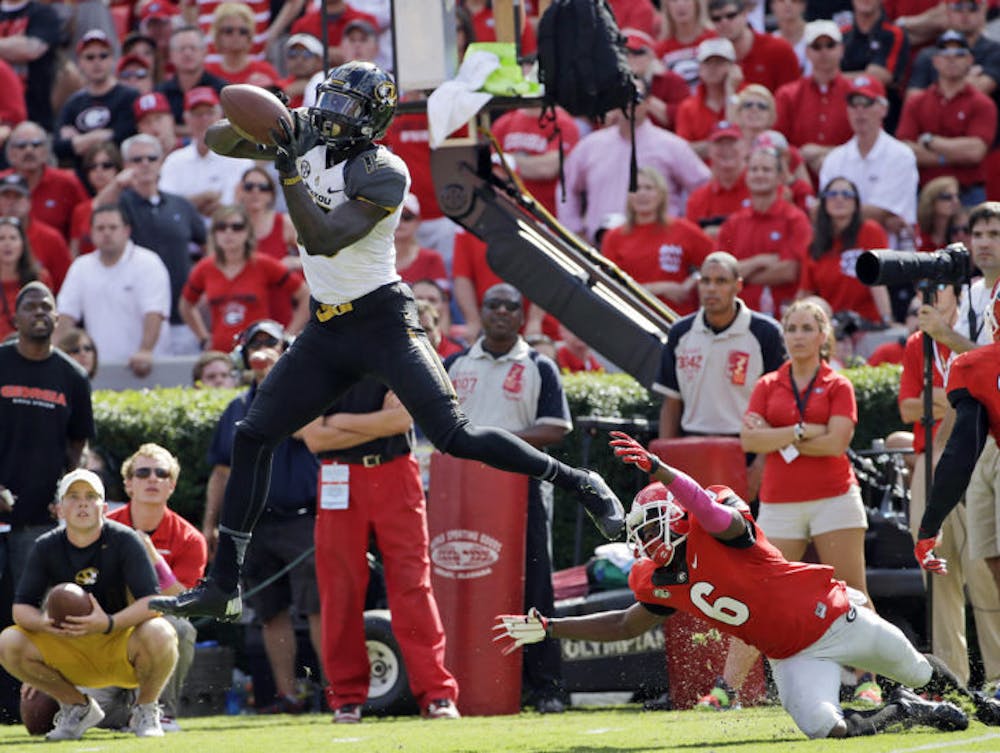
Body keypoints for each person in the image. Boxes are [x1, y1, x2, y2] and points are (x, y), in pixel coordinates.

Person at [151, 61, 624, 622]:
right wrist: (277, 124)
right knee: (252, 434)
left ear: (372, 119)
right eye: (327, 100)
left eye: (346, 107)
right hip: (329, 326)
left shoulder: (385, 170)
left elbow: (322, 239)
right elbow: (218, 137)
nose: (330, 114)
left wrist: (289, 169)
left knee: (455, 435)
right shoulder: (309, 129)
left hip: (382, 319)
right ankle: (223, 585)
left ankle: (578, 479)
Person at [494, 432, 1000, 738]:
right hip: (790, 655)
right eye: (641, 534)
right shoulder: (656, 578)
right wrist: (554, 627)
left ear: (677, 516)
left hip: (832, 616)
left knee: (914, 667)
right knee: (830, 729)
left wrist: (660, 470)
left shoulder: (719, 527)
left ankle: (976, 701)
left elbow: (711, 512)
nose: (649, 542)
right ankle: (905, 713)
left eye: (654, 528)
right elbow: (627, 624)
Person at [740, 298, 878, 704]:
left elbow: (837, 442)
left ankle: (868, 680)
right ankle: (727, 689)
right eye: (791, 328)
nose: (797, 336)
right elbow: (749, 440)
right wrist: (803, 430)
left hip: (834, 498)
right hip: (780, 501)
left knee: (853, 590)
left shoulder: (839, 384)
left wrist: (779, 432)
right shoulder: (767, 384)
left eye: (806, 328)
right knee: (760, 594)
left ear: (823, 336)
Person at [298, 377, 460, 722]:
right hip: (340, 474)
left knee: (413, 584)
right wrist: (376, 423)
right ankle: (346, 697)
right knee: (338, 589)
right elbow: (313, 438)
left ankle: (437, 694)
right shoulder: (315, 349)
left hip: (395, 472)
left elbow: (401, 421)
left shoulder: (392, 342)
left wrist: (336, 422)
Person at [445, 283, 571, 713]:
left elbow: (557, 428)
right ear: (480, 311)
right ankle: (461, 680)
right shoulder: (454, 364)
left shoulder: (540, 365)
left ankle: (546, 686)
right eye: (492, 304)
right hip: (462, 490)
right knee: (462, 581)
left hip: (524, 488)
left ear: (522, 316)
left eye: (510, 306)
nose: (501, 311)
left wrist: (495, 443)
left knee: (534, 585)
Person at [0, 468, 177, 740]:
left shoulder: (126, 540)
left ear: (104, 507)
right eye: (73, 496)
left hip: (119, 644)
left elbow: (154, 601)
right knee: (8, 642)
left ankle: (146, 709)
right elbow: (20, 609)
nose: (82, 502)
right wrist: (44, 624)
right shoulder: (46, 546)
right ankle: (77, 706)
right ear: (59, 509)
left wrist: (108, 623)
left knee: (162, 632)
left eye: (91, 496)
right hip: (69, 645)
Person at [201, 319, 324, 710]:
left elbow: (312, 434)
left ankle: (339, 694)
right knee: (270, 614)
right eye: (255, 344)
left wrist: (280, 377)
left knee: (318, 607)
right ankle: (288, 695)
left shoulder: (305, 394)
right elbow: (221, 472)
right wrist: (211, 524)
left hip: (303, 518)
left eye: (271, 343)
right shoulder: (237, 407)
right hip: (256, 524)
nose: (262, 350)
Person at [899, 283, 1000, 691]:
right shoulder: (974, 363)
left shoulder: (972, 357)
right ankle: (956, 679)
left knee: (987, 571)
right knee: (991, 563)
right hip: (977, 458)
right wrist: (930, 525)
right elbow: (960, 448)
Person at [914, 201, 1000, 602]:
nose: (984, 243)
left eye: (994, 234)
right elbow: (969, 385)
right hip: (982, 436)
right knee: (991, 558)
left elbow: (987, 369)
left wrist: (944, 335)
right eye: (978, 234)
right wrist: (943, 448)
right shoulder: (974, 293)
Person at [102, 444, 207, 732]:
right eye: (143, 472)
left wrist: (153, 557)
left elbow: (183, 603)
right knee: (44, 715)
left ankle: (162, 712)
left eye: (161, 473)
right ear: (128, 484)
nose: (152, 478)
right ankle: (122, 710)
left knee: (182, 628)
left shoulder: (190, 538)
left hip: (155, 629)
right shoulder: (103, 527)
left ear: (171, 485)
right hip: (106, 630)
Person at [0, 282, 94, 593]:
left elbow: (78, 443)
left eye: (46, 307)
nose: (39, 312)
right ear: (16, 319)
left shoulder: (74, 377)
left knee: (29, 609)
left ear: (57, 318)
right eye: (30, 306)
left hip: (39, 517)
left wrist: (66, 493)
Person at [558, 77, 710, 244]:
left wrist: (683, 229)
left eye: (636, 97)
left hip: (656, 247)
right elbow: (566, 188)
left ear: (648, 102)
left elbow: (704, 187)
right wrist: (575, 231)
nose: (629, 103)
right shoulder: (590, 146)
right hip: (599, 246)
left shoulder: (672, 146)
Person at [654, 250, 786, 442]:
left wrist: (762, 461)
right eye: (705, 281)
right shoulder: (680, 333)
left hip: (747, 445)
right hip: (691, 443)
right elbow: (672, 401)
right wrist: (664, 460)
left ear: (737, 285)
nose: (711, 288)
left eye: (721, 281)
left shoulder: (766, 333)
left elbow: (778, 402)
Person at [104, 134, 206, 355]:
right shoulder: (119, 202)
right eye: (136, 159)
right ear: (125, 165)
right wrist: (116, 185)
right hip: (134, 316)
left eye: (151, 158)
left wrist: (203, 281)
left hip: (181, 315)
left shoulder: (180, 204)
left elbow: (209, 245)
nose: (145, 164)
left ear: (161, 162)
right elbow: (95, 218)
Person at [55, 204, 171, 377]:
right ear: (91, 233)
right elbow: (65, 315)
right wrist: (57, 354)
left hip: (144, 368)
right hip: (98, 368)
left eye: (113, 227)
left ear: (126, 230)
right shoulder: (81, 267)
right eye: (100, 228)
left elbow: (154, 313)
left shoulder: (148, 263)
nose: (106, 233)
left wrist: (145, 350)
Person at [179, 205, 309, 352]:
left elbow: (305, 295)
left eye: (237, 227)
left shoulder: (263, 264)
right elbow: (186, 305)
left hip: (258, 354)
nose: (229, 232)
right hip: (220, 355)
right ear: (214, 233)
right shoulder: (204, 268)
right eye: (221, 227)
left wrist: (287, 336)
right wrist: (203, 338)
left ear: (248, 232)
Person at [897, 30, 997, 207]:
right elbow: (905, 150)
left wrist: (929, 140)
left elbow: (975, 152)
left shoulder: (983, 104)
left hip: (967, 192)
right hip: (926, 192)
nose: (951, 59)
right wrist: (952, 154)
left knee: (973, 231)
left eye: (959, 54)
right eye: (945, 54)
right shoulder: (917, 102)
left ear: (969, 60)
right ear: (935, 61)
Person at [600, 166, 714, 317]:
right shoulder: (614, 237)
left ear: (661, 195)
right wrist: (659, 288)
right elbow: (608, 287)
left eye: (649, 188)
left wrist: (691, 282)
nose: (642, 194)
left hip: (677, 319)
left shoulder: (683, 229)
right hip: (632, 320)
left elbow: (718, 262)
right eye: (636, 188)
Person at [717, 145, 812, 316]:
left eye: (766, 170)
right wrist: (759, 261)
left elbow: (789, 271)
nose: (759, 174)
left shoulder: (795, 219)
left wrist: (739, 275)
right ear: (746, 176)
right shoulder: (734, 223)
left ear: (780, 177)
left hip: (782, 319)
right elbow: (720, 274)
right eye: (754, 169)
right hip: (738, 318)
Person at [799, 176, 894, 329]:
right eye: (832, 194)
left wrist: (887, 320)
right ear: (824, 202)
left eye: (846, 195)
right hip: (830, 325)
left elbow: (878, 283)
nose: (839, 199)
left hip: (868, 324)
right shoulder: (814, 244)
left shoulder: (870, 231)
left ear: (856, 203)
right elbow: (806, 292)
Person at [159, 86, 256, 223]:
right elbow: (165, 206)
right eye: (197, 114)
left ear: (220, 116)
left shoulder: (240, 158)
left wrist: (190, 204)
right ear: (186, 119)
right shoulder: (174, 161)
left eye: (209, 113)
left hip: (231, 233)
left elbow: (245, 204)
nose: (204, 119)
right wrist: (199, 200)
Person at [53, 30, 138, 180]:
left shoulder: (129, 97)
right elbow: (59, 147)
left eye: (103, 56)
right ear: (80, 62)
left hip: (120, 178)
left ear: (113, 59)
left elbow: (124, 137)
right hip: (83, 179)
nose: (97, 62)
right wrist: (104, 134)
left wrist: (79, 141)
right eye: (90, 57)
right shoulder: (73, 103)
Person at [773, 20, 853, 175]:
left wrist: (828, 153)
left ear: (841, 49)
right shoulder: (788, 94)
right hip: (799, 178)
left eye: (830, 45)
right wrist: (800, 156)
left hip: (849, 175)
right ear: (807, 52)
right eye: (817, 46)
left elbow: (869, 140)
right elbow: (777, 142)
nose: (824, 52)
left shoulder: (855, 92)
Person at [1, 121, 89, 242]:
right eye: (21, 145)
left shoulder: (67, 182)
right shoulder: (2, 182)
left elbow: (85, 221)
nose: (29, 150)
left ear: (46, 151)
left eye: (36, 145)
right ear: (10, 153)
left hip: (56, 255)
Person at [236, 166, 302, 325]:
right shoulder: (231, 226)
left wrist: (294, 262)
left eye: (263, 188)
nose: (255, 192)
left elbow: (315, 255)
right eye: (249, 187)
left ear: (271, 194)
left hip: (280, 301)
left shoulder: (284, 223)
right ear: (241, 191)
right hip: (243, 303)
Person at [707, 0, 800, 93]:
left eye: (731, 15)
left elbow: (794, 97)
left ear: (745, 14)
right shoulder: (709, 56)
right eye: (716, 19)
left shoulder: (778, 49)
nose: (724, 23)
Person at [0, 173, 70, 294]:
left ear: (29, 201)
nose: (12, 202)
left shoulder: (52, 238)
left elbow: (67, 286)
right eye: (6, 196)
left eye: (18, 196)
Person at [675, 39, 741, 159]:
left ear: (733, 67)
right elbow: (682, 151)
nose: (713, 68)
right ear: (699, 67)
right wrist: (720, 146)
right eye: (707, 62)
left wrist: (731, 92)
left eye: (719, 62)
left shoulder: (747, 96)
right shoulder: (688, 107)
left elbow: (742, 139)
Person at [155, 25, 227, 134]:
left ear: (205, 52)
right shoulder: (160, 92)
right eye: (181, 49)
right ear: (171, 55)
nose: (187, 53)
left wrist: (176, 130)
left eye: (193, 48)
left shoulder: (222, 90)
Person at [685, 122, 749, 237]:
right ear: (709, 150)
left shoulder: (762, 190)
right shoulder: (697, 199)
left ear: (745, 147)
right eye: (719, 144)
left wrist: (719, 232)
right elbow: (693, 243)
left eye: (731, 143)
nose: (726, 149)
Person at [204, 2, 281, 87]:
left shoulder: (265, 71)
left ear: (250, 36)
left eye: (243, 31)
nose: (236, 36)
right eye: (229, 31)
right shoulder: (206, 72)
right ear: (218, 35)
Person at [0, 216, 51, 341]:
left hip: (30, 350)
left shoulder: (40, 279)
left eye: (13, 238)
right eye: (1, 238)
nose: (7, 244)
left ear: (23, 243)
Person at [69, 143, 123, 257]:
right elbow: (74, 252)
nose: (99, 170)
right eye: (92, 167)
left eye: (106, 165)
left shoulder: (129, 204)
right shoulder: (80, 210)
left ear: (117, 169)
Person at [653, 0, 717, 91]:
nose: (680, 4)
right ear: (667, 7)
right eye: (674, 1)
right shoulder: (660, 49)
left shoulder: (714, 38)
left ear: (697, 4)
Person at [915, 175, 964, 253]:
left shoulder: (962, 232)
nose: (955, 201)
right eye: (947, 197)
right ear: (931, 201)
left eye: (957, 196)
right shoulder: (917, 234)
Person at [281, 34, 325, 109]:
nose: (299, 60)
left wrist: (311, 86)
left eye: (306, 54)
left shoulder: (327, 85)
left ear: (319, 61)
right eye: (293, 54)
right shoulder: (279, 87)